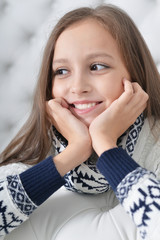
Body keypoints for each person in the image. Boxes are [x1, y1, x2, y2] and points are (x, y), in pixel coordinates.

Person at [0, 4, 160, 240]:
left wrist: (105, 144)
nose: (77, 87)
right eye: (62, 71)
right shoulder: (34, 152)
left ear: (134, 75)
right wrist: (73, 153)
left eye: (97, 67)